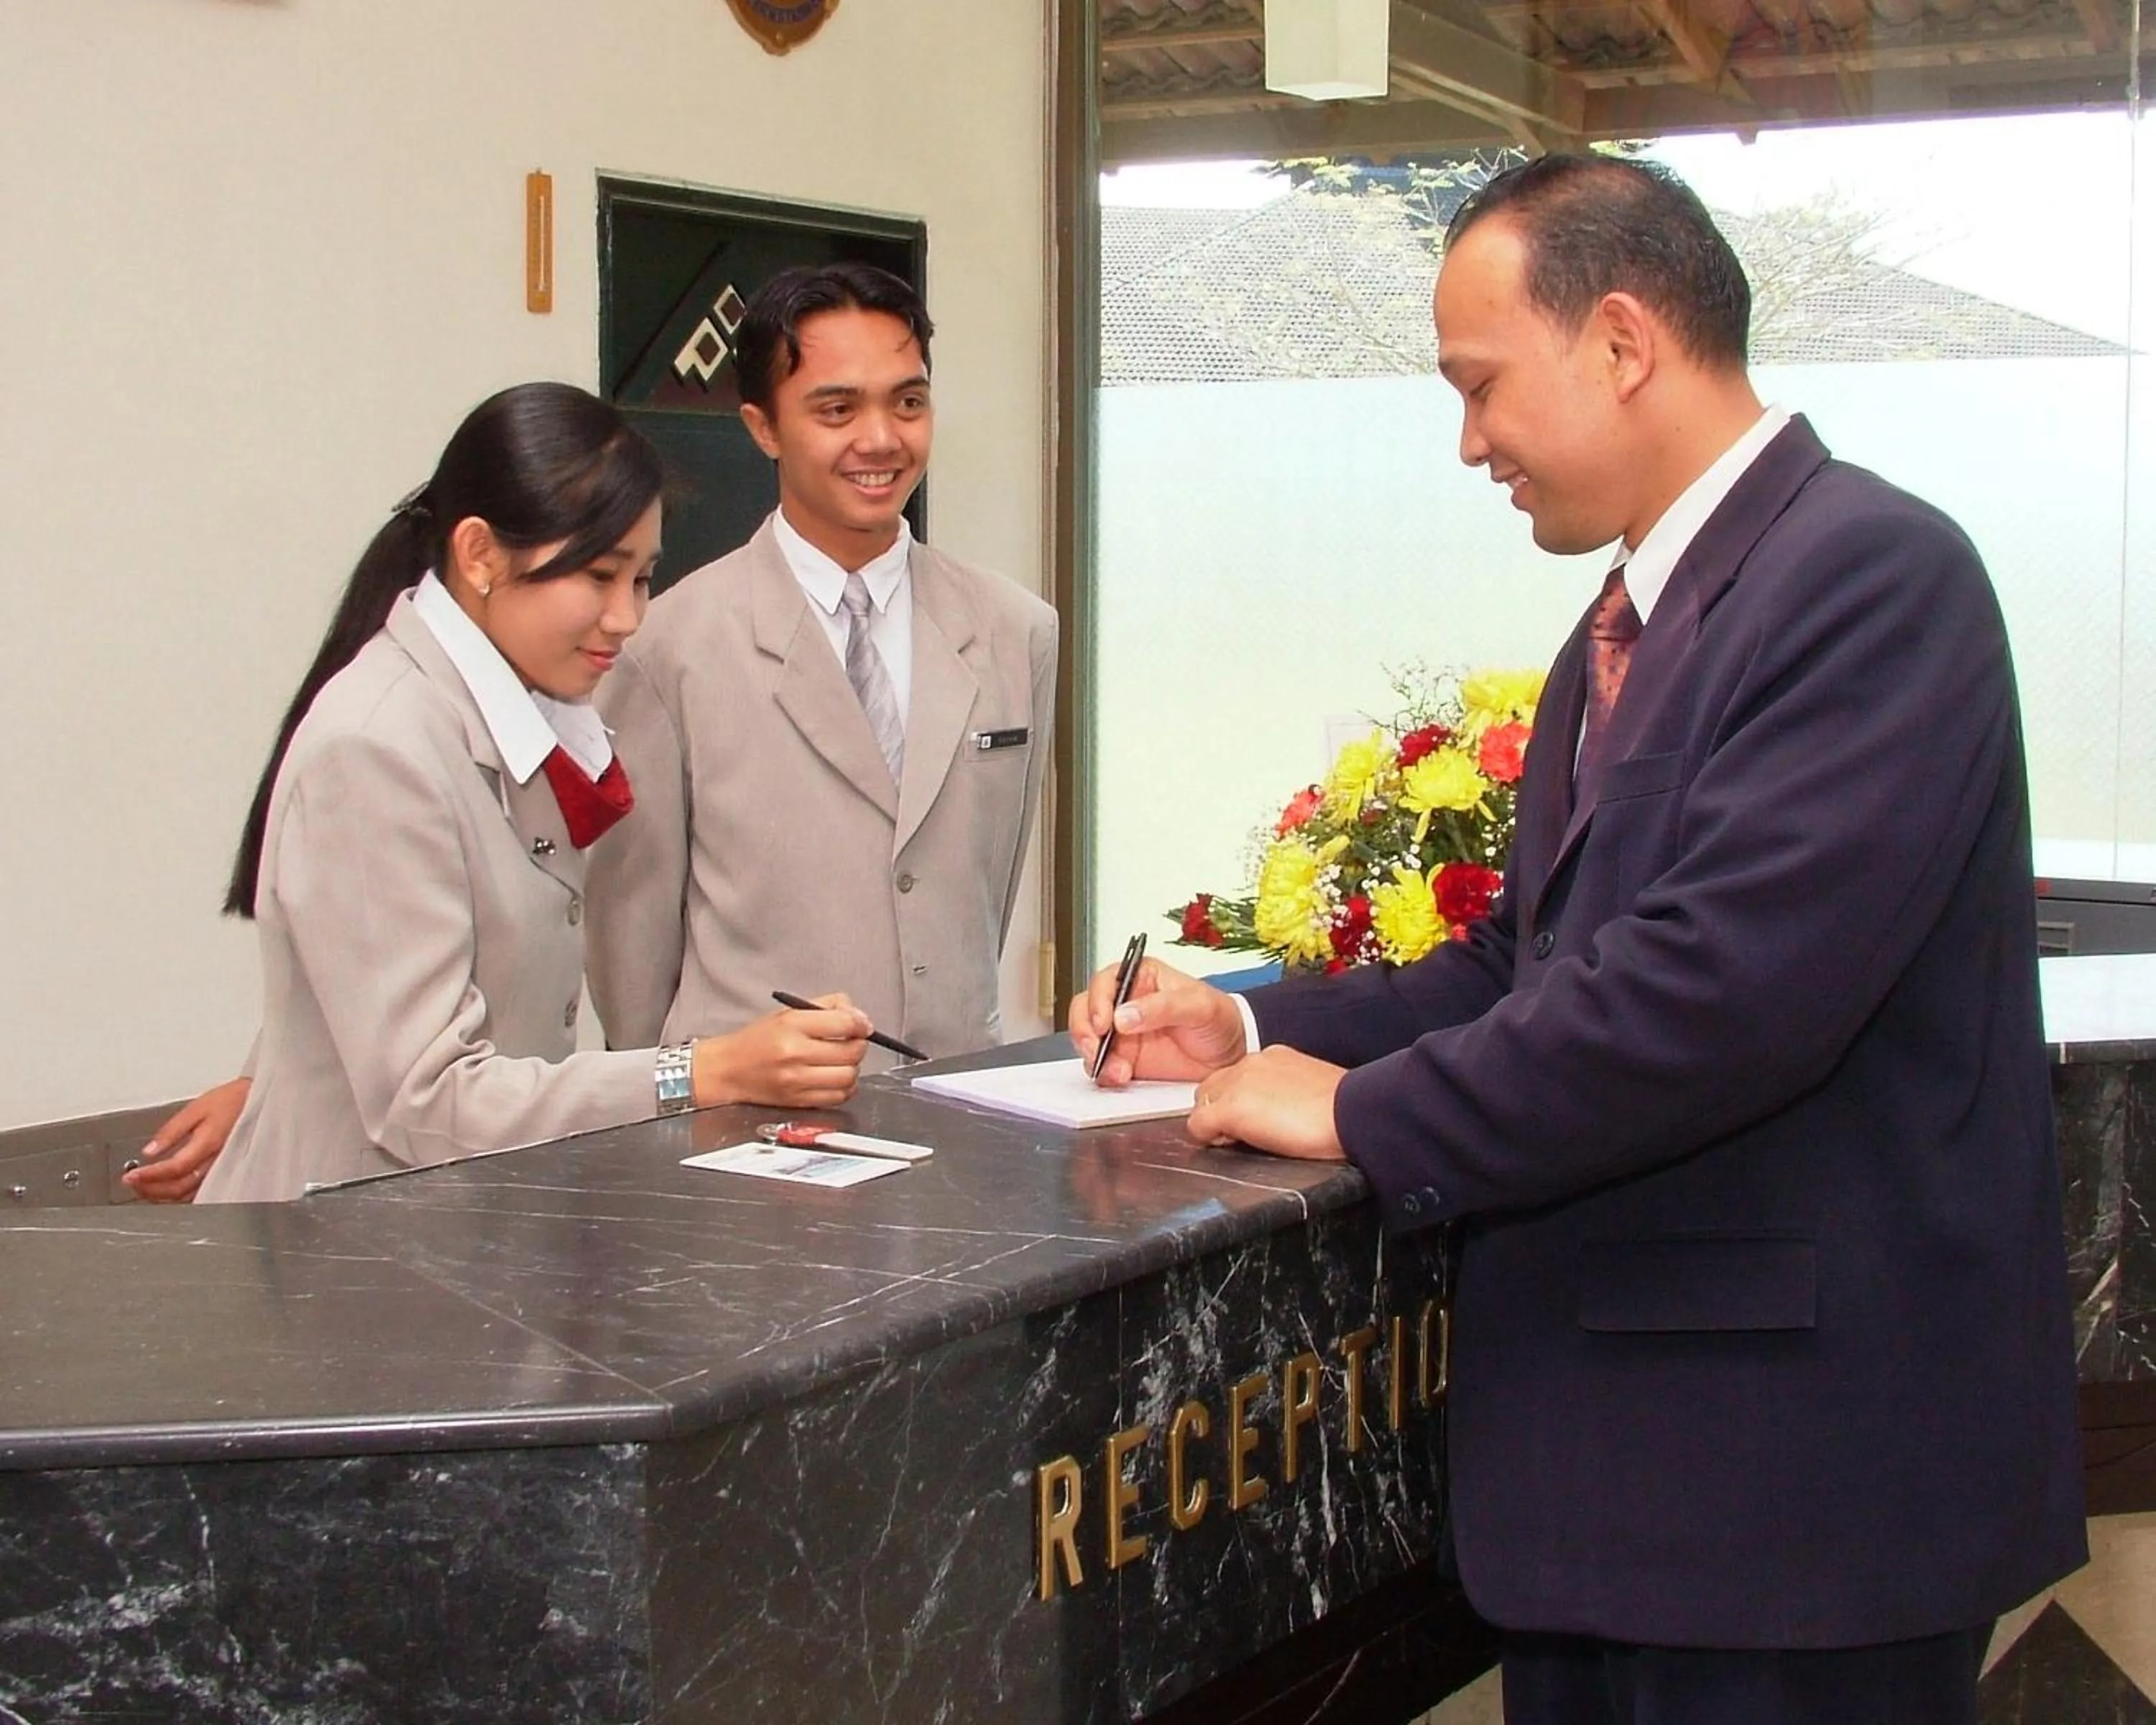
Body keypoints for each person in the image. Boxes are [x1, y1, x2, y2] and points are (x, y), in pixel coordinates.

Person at [1072, 155, 2086, 1724]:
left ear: (1620, 343)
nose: (1468, 443)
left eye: (1481, 388)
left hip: (1793, 1501)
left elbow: (1714, 996)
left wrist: (1354, 1114)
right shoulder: (1623, 626)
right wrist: (1265, 1029)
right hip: (1631, 1496)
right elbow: (1532, 962)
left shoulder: (1873, 578)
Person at [167, 383, 871, 1204]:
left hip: (464, 1228)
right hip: (351, 1255)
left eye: (642, 580)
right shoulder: (377, 746)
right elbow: (428, 1101)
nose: (625, 618)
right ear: (478, 556)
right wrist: (703, 1069)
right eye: (598, 577)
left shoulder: (525, 711)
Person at [584, 263, 1057, 1067]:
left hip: (958, 1120)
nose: (881, 438)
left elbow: (988, 892)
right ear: (762, 427)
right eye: (837, 409)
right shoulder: (669, 648)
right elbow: (631, 953)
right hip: (752, 1140)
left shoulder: (1016, 630)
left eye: (908, 402)